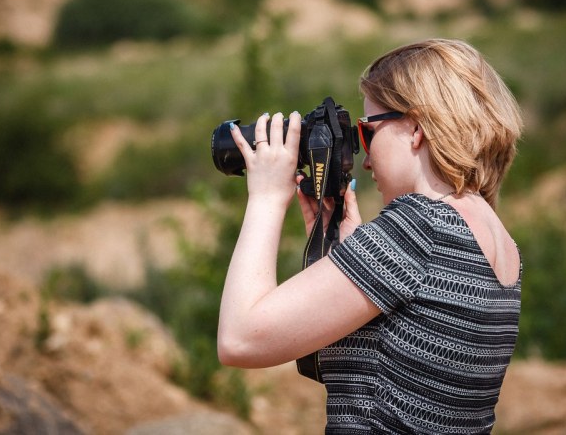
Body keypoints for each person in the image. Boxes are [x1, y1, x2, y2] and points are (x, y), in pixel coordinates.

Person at [218, 38, 524, 434]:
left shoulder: (419, 227)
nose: (362, 157)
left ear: (415, 128)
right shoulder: (500, 241)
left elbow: (240, 339)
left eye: (367, 132)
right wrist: (347, 260)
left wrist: (266, 198)